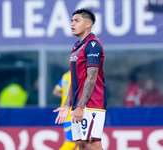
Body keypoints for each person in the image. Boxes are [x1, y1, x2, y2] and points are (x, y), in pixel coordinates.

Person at [53, 8, 107, 150]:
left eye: (77, 21)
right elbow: (75, 81)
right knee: (82, 145)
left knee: (92, 144)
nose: (72, 24)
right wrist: (67, 105)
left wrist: (81, 106)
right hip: (78, 105)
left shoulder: (93, 45)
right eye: (72, 20)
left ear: (88, 25)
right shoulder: (77, 47)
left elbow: (92, 77)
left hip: (92, 103)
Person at [53, 70, 79, 150]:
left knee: (70, 142)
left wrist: (67, 98)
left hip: (65, 112)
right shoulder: (80, 74)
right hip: (77, 111)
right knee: (81, 142)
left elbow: (55, 92)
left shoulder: (65, 76)